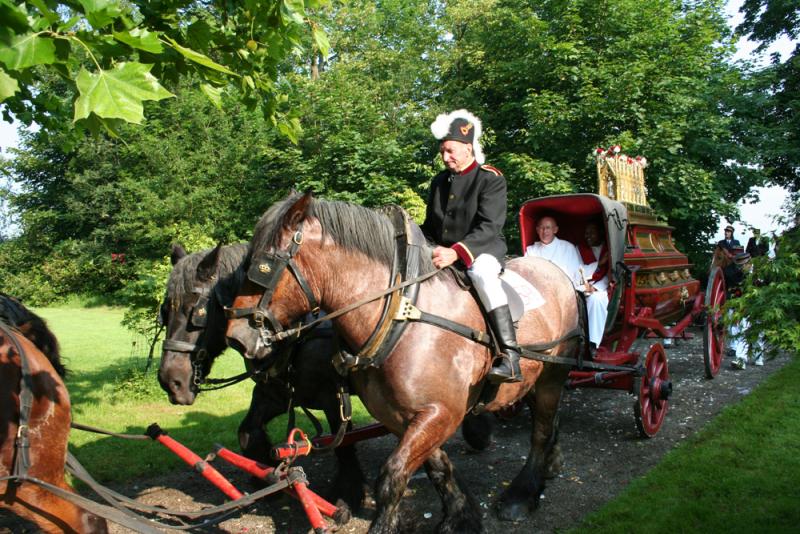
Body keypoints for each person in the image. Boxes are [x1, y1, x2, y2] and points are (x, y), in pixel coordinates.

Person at [420, 109, 521, 384]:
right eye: (442, 151)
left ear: (467, 147)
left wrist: (456, 252)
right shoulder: (440, 181)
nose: (445, 157)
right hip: (444, 252)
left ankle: (510, 357)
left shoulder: (490, 178)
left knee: (482, 275)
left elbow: (490, 227)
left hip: (483, 251)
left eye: (450, 151)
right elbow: (431, 227)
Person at [576, 222, 610, 351]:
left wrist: (596, 287)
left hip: (604, 287)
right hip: (583, 285)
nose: (587, 236)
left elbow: (612, 272)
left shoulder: (609, 249)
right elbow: (578, 268)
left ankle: (593, 343)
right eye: (586, 233)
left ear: (600, 233)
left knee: (596, 299)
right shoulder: (579, 249)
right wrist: (586, 285)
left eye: (591, 233)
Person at [727, 252, 764, 369]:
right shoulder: (738, 275)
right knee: (743, 331)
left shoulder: (760, 272)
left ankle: (759, 357)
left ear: (749, 262)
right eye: (740, 265)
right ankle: (741, 359)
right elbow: (734, 291)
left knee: (758, 334)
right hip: (744, 307)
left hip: (758, 306)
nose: (741, 268)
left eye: (743, 265)